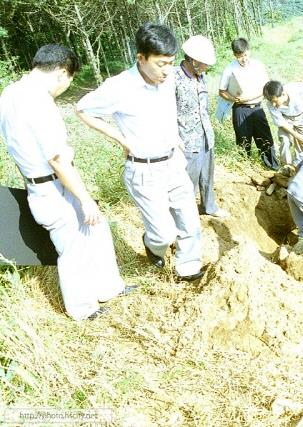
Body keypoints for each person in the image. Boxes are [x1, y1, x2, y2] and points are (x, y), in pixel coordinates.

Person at [0, 44, 133, 320]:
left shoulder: (9, 94)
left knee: (97, 228)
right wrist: (85, 200)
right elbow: (58, 159)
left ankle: (109, 287)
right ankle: (83, 310)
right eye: (70, 79)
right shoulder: (38, 102)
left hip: (40, 183)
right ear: (62, 72)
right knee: (72, 246)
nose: (66, 86)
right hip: (52, 186)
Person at [76, 23, 204, 282]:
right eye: (161, 64)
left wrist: (175, 139)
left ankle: (187, 267)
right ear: (141, 58)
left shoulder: (166, 81)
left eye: (171, 63)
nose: (167, 71)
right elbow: (82, 109)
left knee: (190, 222)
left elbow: (166, 112)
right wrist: (120, 139)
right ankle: (152, 244)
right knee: (163, 234)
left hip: (172, 162)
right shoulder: (120, 87)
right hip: (144, 170)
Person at [175, 35, 229, 219]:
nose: (207, 67)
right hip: (186, 140)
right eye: (205, 63)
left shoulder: (202, 76)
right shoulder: (174, 78)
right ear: (194, 60)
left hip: (206, 135)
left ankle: (210, 207)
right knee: (188, 181)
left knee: (207, 175)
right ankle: (186, 217)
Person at [218, 38, 279, 169]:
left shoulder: (258, 65)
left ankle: (272, 167)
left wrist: (249, 97)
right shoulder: (229, 69)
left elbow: (267, 88)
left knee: (265, 139)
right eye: (240, 56)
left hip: (257, 108)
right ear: (235, 55)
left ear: (249, 51)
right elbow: (222, 91)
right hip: (240, 109)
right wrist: (234, 99)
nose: (244, 59)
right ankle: (245, 168)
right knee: (243, 141)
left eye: (245, 55)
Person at [263, 80, 303, 165]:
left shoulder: (295, 89)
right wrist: (297, 135)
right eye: (271, 101)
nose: (273, 104)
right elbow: (281, 122)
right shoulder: (270, 103)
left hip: (301, 115)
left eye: (275, 101)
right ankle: (287, 167)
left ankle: (300, 165)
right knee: (284, 140)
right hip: (285, 118)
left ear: (283, 94)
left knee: (301, 143)